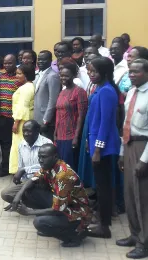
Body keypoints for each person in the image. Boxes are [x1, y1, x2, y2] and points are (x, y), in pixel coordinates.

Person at [5, 144, 92, 247]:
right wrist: (18, 196)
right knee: (29, 190)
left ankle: (75, 236)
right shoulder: (50, 165)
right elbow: (33, 179)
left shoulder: (63, 175)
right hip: (65, 205)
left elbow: (57, 209)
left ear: (55, 157)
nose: (40, 160)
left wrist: (29, 212)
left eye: (43, 157)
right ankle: (52, 223)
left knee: (39, 222)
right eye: (39, 157)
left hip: (77, 213)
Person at [85, 57, 121, 239]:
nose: (91, 74)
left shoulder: (107, 91)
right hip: (95, 143)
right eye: (89, 71)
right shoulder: (99, 89)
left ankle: (104, 225)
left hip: (104, 147)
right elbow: (93, 119)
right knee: (99, 185)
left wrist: (98, 149)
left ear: (105, 73)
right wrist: (87, 141)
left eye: (94, 72)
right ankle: (100, 218)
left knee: (104, 187)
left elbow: (106, 123)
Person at [116, 58, 148, 259]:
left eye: (136, 71)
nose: (132, 74)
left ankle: (144, 244)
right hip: (128, 145)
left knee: (142, 198)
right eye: (130, 71)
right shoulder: (131, 94)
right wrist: (121, 152)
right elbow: (125, 125)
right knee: (129, 194)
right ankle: (135, 235)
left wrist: (145, 160)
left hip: (142, 147)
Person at [0, 120, 52, 203]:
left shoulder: (47, 144)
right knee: (6, 194)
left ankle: (39, 205)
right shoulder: (22, 145)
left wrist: (25, 170)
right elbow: (21, 166)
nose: (25, 134)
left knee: (32, 194)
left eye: (29, 131)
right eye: (24, 131)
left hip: (44, 182)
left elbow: (47, 167)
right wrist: (19, 181)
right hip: (28, 182)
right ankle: (27, 203)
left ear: (37, 131)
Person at [55, 63, 88, 171]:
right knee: (61, 164)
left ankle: (73, 187)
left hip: (71, 134)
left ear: (74, 76)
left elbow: (81, 116)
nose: (63, 78)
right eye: (61, 75)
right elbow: (58, 113)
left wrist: (76, 137)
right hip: (60, 133)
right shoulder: (62, 92)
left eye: (66, 76)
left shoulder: (79, 92)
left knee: (70, 165)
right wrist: (55, 132)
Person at [0, 54, 22, 177]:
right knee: (4, 143)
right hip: (2, 116)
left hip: (15, 117)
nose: (7, 65)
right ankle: (5, 167)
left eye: (10, 63)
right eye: (5, 63)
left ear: (15, 63)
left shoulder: (19, 78)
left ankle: (16, 168)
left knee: (16, 143)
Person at [9, 64, 35, 174]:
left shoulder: (26, 88)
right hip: (23, 120)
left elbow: (22, 107)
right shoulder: (27, 86)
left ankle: (20, 171)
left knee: (20, 146)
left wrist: (16, 122)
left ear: (27, 75)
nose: (16, 76)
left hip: (22, 121)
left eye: (19, 74)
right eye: (16, 73)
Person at [33, 50, 61, 141]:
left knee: (46, 145)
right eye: (39, 59)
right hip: (36, 117)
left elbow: (53, 100)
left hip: (45, 119)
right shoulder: (38, 74)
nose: (40, 62)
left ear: (50, 60)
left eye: (43, 60)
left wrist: (46, 120)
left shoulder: (52, 76)